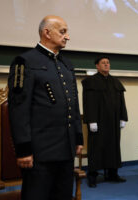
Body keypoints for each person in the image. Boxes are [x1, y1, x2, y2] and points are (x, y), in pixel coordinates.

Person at [7, 15, 83, 200]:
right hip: (40, 152)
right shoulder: (25, 61)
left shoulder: (66, 64)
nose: (67, 37)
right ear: (46, 33)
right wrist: (23, 150)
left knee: (63, 195)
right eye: (63, 31)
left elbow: (73, 104)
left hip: (66, 149)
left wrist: (78, 138)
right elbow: (18, 109)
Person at [82, 56, 128, 187]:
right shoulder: (90, 82)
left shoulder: (115, 81)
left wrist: (123, 117)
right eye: (103, 63)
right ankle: (92, 176)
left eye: (108, 63)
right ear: (97, 66)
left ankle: (112, 174)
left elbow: (121, 102)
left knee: (113, 146)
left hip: (113, 121)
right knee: (96, 148)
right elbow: (88, 103)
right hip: (98, 121)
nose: (106, 64)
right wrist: (91, 120)